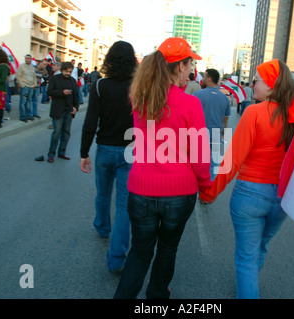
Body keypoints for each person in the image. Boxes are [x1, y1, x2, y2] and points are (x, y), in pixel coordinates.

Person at [113, 37, 211, 299]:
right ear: (180, 66)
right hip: (179, 194)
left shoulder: (140, 98)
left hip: (141, 189)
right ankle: (157, 296)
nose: (191, 70)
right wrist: (206, 186)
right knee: (168, 249)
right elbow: (200, 155)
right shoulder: (191, 104)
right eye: (190, 64)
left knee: (140, 251)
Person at [199, 59, 294, 299]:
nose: (252, 84)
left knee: (246, 258)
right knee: (261, 247)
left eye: (257, 79)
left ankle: (248, 288)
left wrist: (209, 192)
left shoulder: (255, 111)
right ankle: (248, 285)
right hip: (282, 199)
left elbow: (233, 161)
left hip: (250, 196)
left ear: (271, 85)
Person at [80, 41, 138, 273]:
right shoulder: (138, 87)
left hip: (104, 149)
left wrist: (84, 152)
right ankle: (117, 259)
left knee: (103, 194)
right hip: (130, 151)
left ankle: (103, 227)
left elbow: (90, 122)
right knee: (124, 205)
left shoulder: (100, 85)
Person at [193, 68, 231, 181]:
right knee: (213, 166)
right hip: (216, 136)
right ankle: (208, 194)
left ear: (209, 79)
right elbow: (225, 120)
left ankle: (196, 191)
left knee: (197, 165)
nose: (203, 79)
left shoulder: (197, 95)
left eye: (204, 77)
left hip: (199, 135)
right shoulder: (225, 98)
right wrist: (222, 134)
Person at [45, 62, 79, 163]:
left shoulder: (73, 81)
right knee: (56, 133)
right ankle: (51, 154)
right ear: (62, 70)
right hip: (58, 110)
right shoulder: (54, 79)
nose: (68, 73)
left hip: (69, 111)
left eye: (70, 71)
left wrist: (75, 108)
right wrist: (62, 92)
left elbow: (76, 96)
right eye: (66, 71)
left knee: (66, 133)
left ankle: (62, 152)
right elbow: (49, 91)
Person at [16, 54, 37, 122]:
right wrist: (22, 85)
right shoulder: (21, 66)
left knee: (29, 102)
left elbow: (34, 77)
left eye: (28, 58)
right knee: (23, 102)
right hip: (24, 87)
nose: (26, 59)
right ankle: (22, 116)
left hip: (31, 87)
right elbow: (18, 76)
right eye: (26, 58)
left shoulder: (32, 68)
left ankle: (28, 115)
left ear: (31, 59)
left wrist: (35, 84)